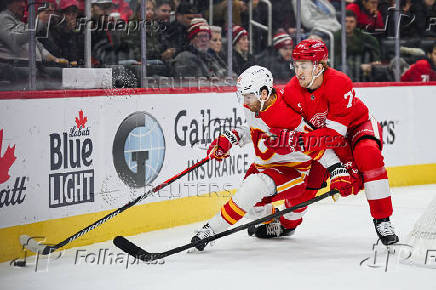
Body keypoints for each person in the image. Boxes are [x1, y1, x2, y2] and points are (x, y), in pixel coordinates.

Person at [190, 65, 360, 250]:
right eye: (243, 96)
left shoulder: (290, 114)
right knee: (252, 209)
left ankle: (210, 231)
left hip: (292, 171)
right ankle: (272, 217)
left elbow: (315, 143)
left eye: (248, 96)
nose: (245, 102)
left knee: (253, 186)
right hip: (264, 166)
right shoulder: (254, 105)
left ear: (263, 93)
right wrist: (232, 137)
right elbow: (257, 129)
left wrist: (336, 170)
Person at [281, 39, 399, 245]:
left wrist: (349, 167)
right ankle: (285, 223)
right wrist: (340, 168)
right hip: (323, 141)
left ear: (319, 66)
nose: (298, 72)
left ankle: (383, 220)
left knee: (368, 156)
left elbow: (336, 136)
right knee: (308, 184)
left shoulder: (338, 82)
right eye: (296, 65)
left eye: (304, 66)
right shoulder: (291, 91)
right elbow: (315, 138)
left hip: (357, 127)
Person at [333, 10, 381, 81]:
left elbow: (374, 41)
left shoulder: (359, 34)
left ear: (355, 23)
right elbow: (338, 60)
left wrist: (376, 60)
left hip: (359, 63)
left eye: (351, 22)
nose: (348, 24)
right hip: (342, 66)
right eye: (345, 21)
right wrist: (359, 66)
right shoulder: (336, 36)